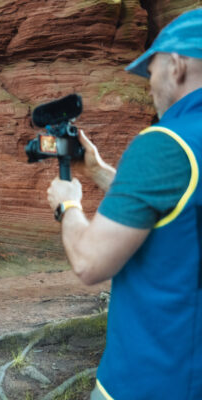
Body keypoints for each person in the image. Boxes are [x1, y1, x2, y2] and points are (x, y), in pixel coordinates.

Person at [46, 8, 202, 400]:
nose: (150, 83)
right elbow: (178, 207)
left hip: (150, 379)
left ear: (178, 65)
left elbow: (89, 261)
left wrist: (69, 206)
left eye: (151, 70)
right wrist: (99, 172)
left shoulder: (164, 143)